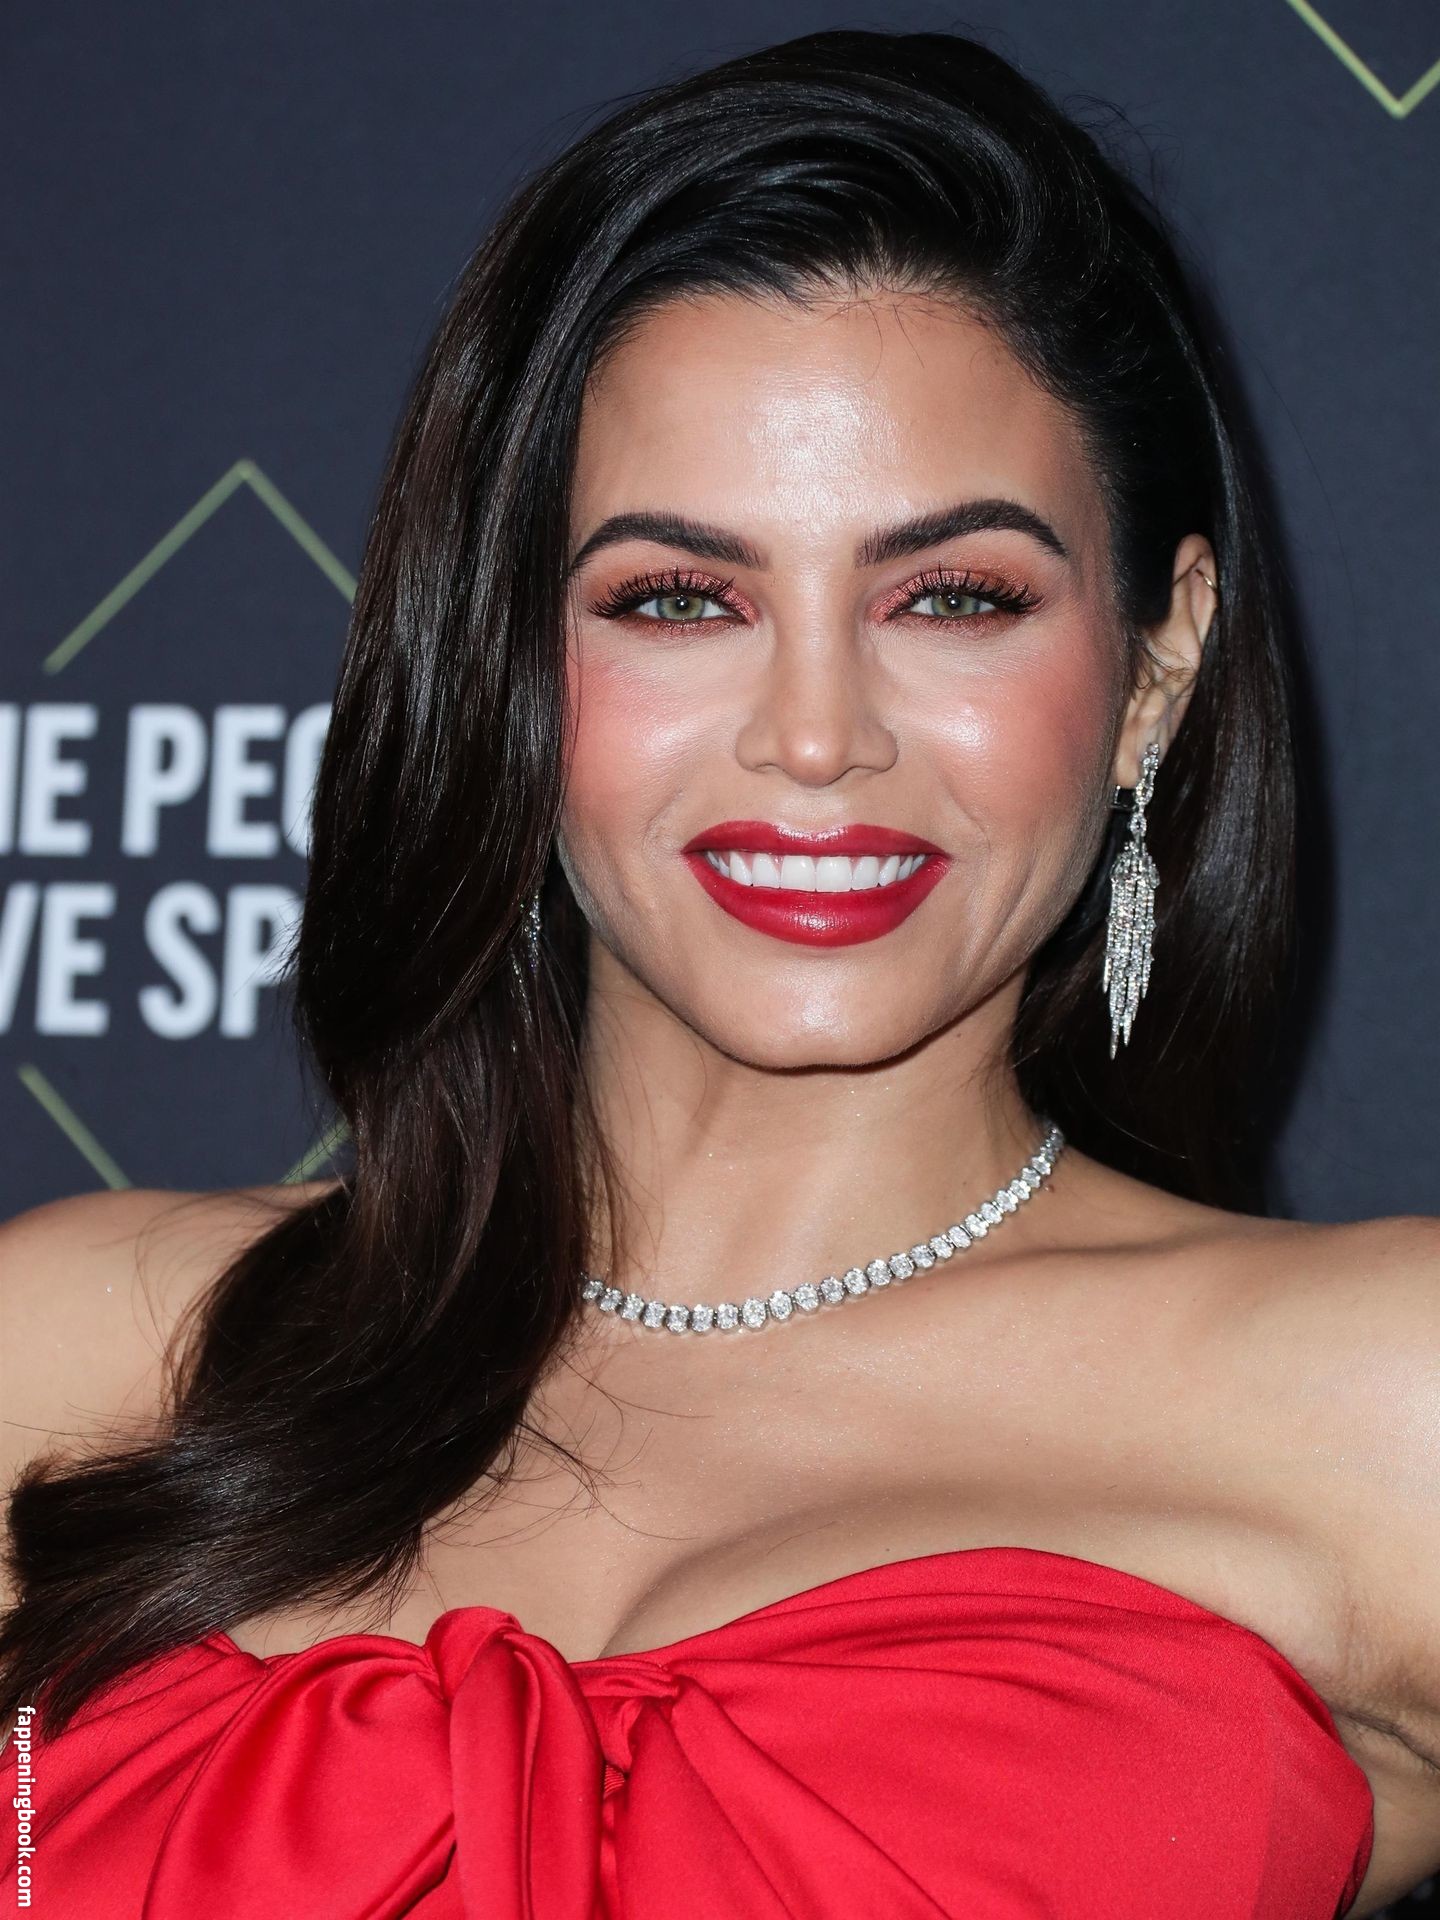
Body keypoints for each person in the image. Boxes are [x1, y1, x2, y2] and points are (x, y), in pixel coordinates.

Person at [1, 26, 1436, 1919]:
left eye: (954, 598)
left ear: (1156, 669)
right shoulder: (80, 1353)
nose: (816, 735)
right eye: (680, 599)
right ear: (510, 662)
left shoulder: (1380, 1401)